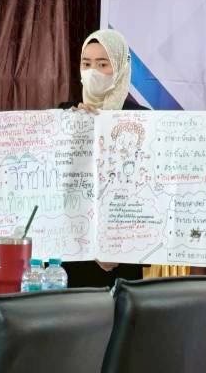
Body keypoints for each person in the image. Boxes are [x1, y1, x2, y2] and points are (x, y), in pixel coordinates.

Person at [58, 29, 146, 287]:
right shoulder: (65, 114)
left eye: (102, 64)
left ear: (120, 67)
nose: (92, 71)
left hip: (122, 254)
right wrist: (77, 131)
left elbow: (144, 190)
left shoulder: (141, 118)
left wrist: (114, 245)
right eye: (86, 64)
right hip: (74, 251)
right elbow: (59, 184)